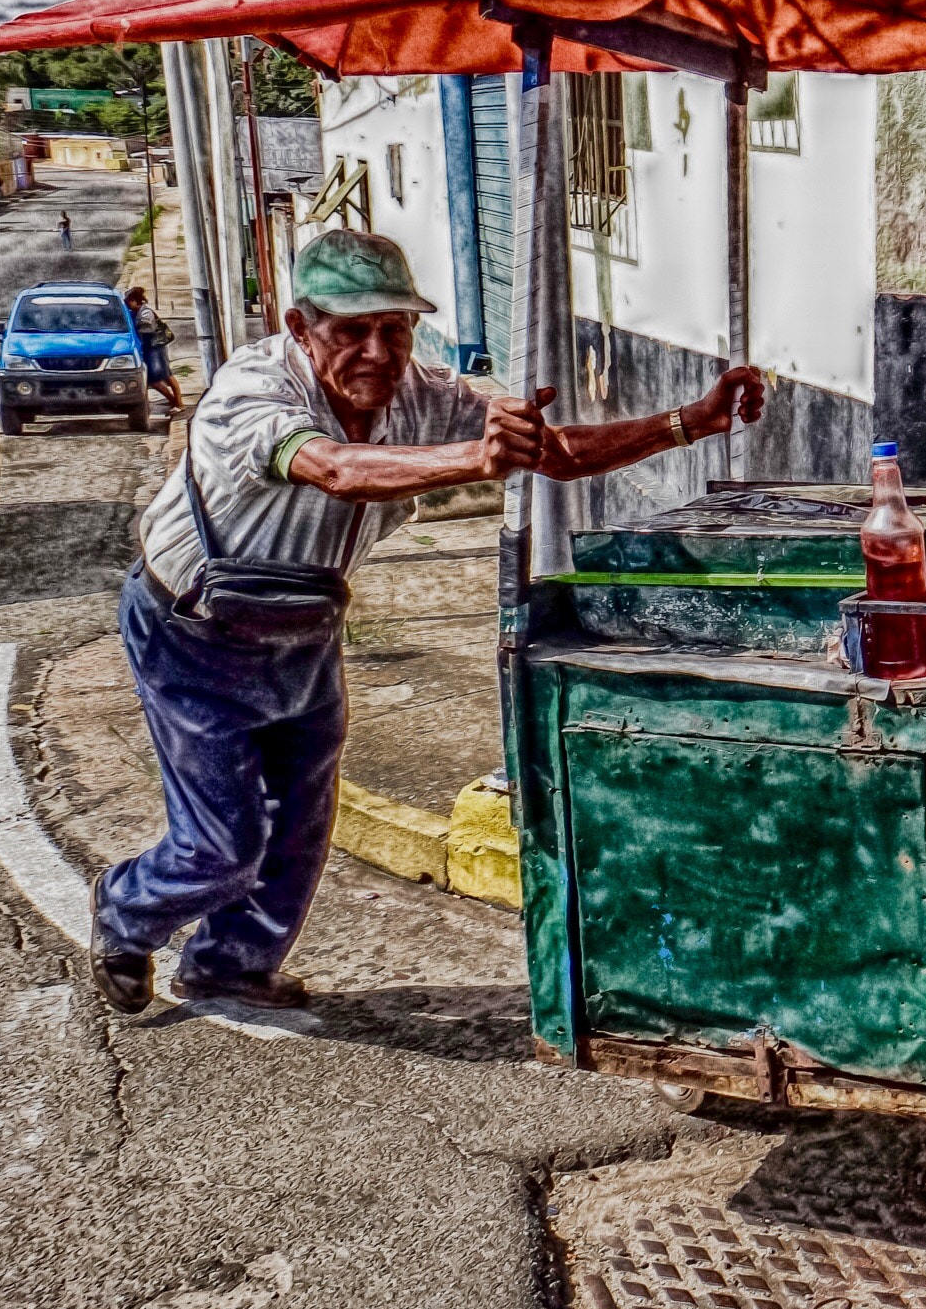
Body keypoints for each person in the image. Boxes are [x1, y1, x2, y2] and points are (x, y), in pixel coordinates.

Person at [88, 230, 765, 1013]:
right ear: (300, 327)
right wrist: (477, 461)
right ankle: (126, 910)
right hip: (190, 635)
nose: (378, 350)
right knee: (222, 845)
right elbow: (337, 470)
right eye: (352, 330)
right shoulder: (252, 392)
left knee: (300, 827)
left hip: (303, 629)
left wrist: (690, 421)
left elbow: (556, 453)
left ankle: (229, 964)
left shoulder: (424, 394)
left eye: (396, 328)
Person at [123, 284, 184, 414]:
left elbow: (145, 330)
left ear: (134, 301)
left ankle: (177, 403)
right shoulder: (136, 312)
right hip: (150, 349)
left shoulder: (145, 313)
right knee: (163, 376)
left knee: (160, 378)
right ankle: (175, 402)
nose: (127, 305)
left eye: (128, 302)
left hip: (155, 348)